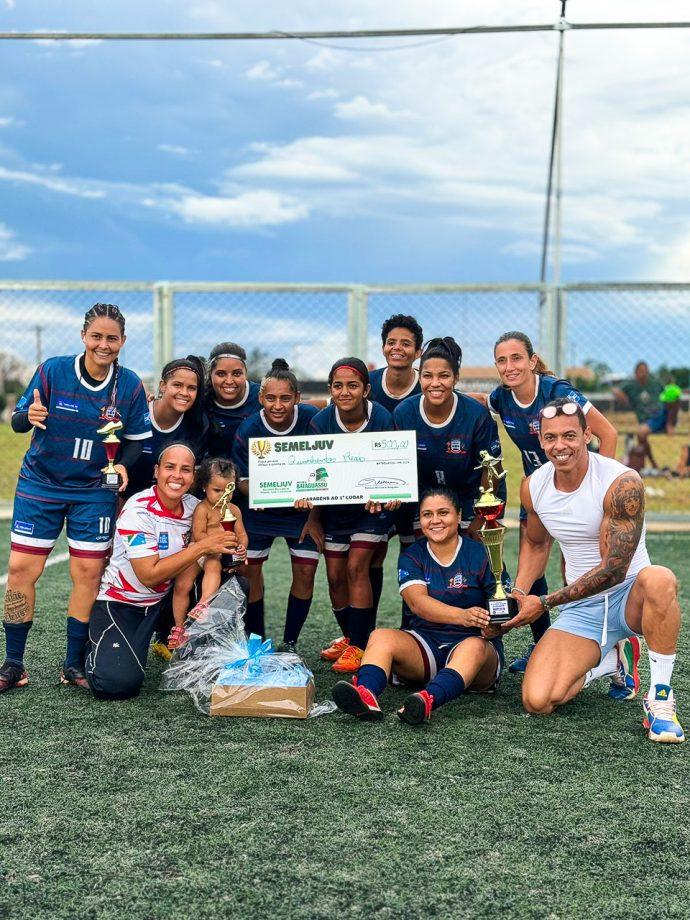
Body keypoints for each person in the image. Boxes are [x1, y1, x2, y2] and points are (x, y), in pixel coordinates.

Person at [501, 397, 684, 744]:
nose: (560, 446)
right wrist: (520, 594)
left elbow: (613, 571)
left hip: (631, 595)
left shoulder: (621, 482)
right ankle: (612, 661)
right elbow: (537, 544)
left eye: (570, 435)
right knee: (537, 700)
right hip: (582, 608)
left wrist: (544, 602)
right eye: (551, 437)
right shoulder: (533, 487)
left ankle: (661, 701)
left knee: (660, 578)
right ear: (540, 441)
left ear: (588, 435)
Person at [1, 303, 152, 694]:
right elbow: (18, 420)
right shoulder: (53, 370)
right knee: (21, 571)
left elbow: (137, 441)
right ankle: (14, 663)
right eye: (97, 336)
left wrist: (123, 467)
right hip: (42, 485)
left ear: (123, 341)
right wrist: (28, 415)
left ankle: (73, 663)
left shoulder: (130, 385)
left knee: (87, 574)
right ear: (84, 336)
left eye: (112, 338)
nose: (104, 345)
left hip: (93, 491)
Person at [470, 330, 618, 673]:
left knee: (579, 569)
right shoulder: (503, 398)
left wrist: (602, 491)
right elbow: (481, 400)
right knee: (530, 559)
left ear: (533, 361)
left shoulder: (559, 393)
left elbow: (607, 433)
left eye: (517, 358)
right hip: (538, 492)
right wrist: (446, 391)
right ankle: (543, 644)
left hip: (579, 487)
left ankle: (612, 649)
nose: (510, 366)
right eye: (502, 360)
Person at [332, 488, 504, 725]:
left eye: (443, 513)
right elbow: (418, 603)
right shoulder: (412, 555)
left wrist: (497, 627)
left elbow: (503, 605)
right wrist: (463, 615)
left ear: (458, 515)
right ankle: (365, 695)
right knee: (381, 636)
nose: (435, 521)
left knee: (474, 647)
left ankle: (426, 700)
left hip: (475, 652)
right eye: (427, 514)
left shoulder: (482, 553)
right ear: (420, 520)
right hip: (426, 645)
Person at [85, 444, 238, 700]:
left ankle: (208, 647)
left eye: (185, 470)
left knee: (235, 583)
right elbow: (149, 575)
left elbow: (221, 541)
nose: (177, 476)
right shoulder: (138, 510)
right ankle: (94, 649)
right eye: (170, 467)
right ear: (156, 471)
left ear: (194, 477)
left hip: (165, 602)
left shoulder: (195, 507)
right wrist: (202, 546)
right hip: (125, 603)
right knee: (116, 685)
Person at [309, 358, 398, 673]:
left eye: (352, 385)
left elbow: (392, 465)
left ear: (366, 390)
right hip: (336, 510)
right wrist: (313, 517)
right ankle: (352, 637)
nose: (345, 392)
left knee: (357, 568)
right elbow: (314, 474)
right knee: (334, 575)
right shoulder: (320, 422)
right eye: (338, 385)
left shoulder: (383, 418)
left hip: (371, 510)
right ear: (331, 389)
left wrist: (389, 493)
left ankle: (360, 647)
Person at [232, 359, 322, 649]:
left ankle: (291, 642)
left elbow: (327, 471)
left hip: (302, 513)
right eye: (271, 398)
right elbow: (240, 480)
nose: (278, 405)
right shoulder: (249, 428)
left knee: (306, 570)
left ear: (297, 397)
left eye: (286, 398)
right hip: (261, 511)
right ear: (261, 398)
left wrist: (315, 514)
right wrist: (260, 492)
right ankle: (256, 640)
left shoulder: (311, 420)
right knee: (250, 570)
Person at [367, 314, 424, 620]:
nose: (397, 348)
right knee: (371, 554)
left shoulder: (427, 384)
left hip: (417, 486)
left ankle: (411, 627)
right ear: (383, 347)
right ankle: (361, 635)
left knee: (413, 555)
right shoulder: (368, 385)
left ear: (418, 351)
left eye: (406, 343)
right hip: (374, 488)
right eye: (391, 342)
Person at [168, 457, 248, 650]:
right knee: (182, 585)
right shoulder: (202, 508)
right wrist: (213, 544)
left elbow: (242, 534)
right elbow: (198, 534)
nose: (223, 496)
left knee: (213, 565)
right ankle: (179, 627)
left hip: (220, 555)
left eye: (228, 491)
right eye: (217, 490)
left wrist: (242, 547)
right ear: (204, 487)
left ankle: (204, 603)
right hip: (200, 551)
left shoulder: (234, 509)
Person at [124, 355, 207, 498]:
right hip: (126, 500)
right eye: (177, 385)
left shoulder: (197, 426)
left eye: (192, 388)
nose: (184, 393)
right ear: (163, 385)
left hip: (171, 504)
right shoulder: (137, 413)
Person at [204, 342, 261, 458]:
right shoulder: (201, 399)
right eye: (221, 374)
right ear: (210, 375)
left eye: (237, 373)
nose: (229, 381)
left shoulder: (261, 396)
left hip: (254, 469)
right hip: (214, 471)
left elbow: (293, 406)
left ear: (246, 374)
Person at [612, 361, 671, 467]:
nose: (643, 374)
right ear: (635, 373)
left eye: (645, 371)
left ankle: (649, 463)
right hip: (645, 420)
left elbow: (668, 397)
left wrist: (669, 422)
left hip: (658, 416)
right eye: (640, 371)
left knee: (641, 433)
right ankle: (645, 464)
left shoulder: (655, 383)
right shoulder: (632, 385)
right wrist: (624, 399)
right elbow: (615, 390)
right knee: (641, 436)